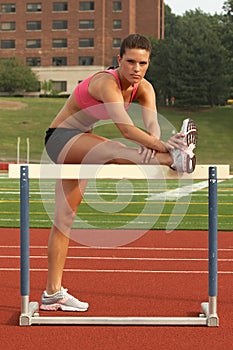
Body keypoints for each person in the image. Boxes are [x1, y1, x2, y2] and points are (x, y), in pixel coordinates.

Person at [40, 34, 197, 312]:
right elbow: (125, 129)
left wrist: (156, 142)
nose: (137, 69)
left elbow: (151, 127)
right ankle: (174, 159)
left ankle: (53, 293)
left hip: (83, 141)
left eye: (143, 63)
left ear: (149, 64)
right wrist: (163, 149)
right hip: (60, 139)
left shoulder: (145, 88)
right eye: (131, 62)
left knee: (64, 218)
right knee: (114, 148)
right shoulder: (106, 83)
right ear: (119, 60)